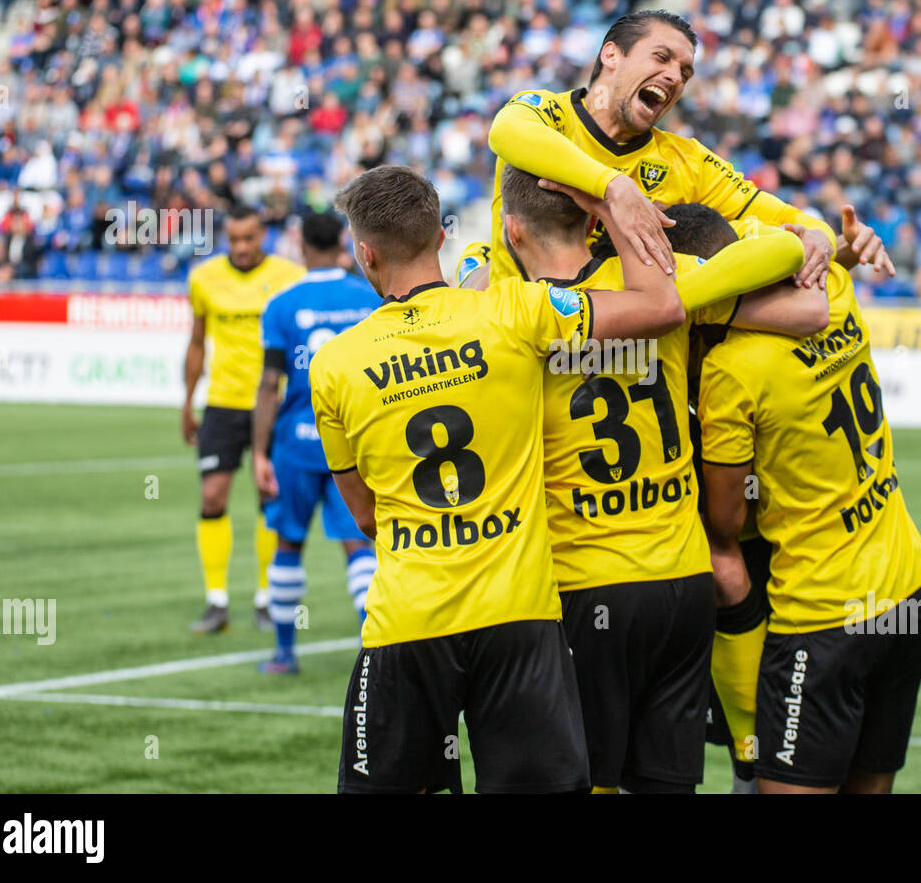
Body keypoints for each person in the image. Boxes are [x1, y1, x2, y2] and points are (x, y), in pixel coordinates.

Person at [310, 165, 694, 794]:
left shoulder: (334, 364)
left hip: (411, 620)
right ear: (441, 236)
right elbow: (661, 306)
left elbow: (365, 515)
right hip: (520, 617)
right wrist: (620, 203)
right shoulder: (514, 312)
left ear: (364, 253)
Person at [468, 172, 826, 793]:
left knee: (592, 778)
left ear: (512, 229)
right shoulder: (657, 288)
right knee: (666, 782)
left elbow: (462, 285)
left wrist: (480, 257)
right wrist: (678, 297)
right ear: (592, 223)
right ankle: (750, 758)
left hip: (587, 583)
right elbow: (797, 280)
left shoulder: (508, 312)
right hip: (682, 582)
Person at [697, 209, 921, 795]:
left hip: (824, 618)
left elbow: (724, 523)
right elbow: (829, 263)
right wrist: (844, 250)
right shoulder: (835, 292)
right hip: (910, 590)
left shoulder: (734, 369)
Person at [458, 8, 893, 287]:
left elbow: (783, 217)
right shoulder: (547, 112)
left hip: (615, 359)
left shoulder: (686, 160)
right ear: (611, 55)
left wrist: (823, 238)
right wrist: (615, 190)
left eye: (685, 71)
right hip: (518, 342)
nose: (675, 77)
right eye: (661, 58)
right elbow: (505, 133)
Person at [252, 211, 381, 673]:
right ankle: (376, 656)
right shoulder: (369, 298)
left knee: (288, 542)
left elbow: (270, 385)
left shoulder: (282, 304)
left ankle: (285, 653)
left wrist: (260, 452)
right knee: (359, 547)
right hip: (355, 441)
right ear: (344, 245)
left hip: (296, 445)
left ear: (302, 246)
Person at [182, 205, 303, 634]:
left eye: (249, 238)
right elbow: (197, 341)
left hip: (274, 404)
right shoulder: (204, 278)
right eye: (234, 239)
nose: (242, 247)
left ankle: (266, 599)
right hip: (222, 403)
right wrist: (187, 400)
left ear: (263, 235)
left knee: (270, 499)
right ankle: (216, 601)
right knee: (213, 496)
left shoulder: (290, 276)